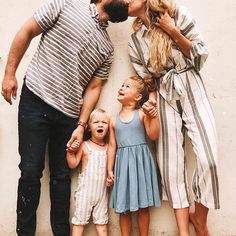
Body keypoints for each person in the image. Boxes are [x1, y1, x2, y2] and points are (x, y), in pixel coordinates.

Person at [1, 0, 129, 234]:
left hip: (69, 117)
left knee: (61, 177)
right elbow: (27, 30)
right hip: (36, 100)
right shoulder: (64, 4)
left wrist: (81, 125)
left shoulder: (107, 49)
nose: (128, 2)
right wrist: (10, 74)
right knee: (30, 171)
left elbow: (93, 88)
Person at [127, 0, 220, 235]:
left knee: (209, 160)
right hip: (163, 96)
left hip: (191, 87)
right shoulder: (135, 42)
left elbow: (200, 57)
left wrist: (173, 31)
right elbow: (148, 80)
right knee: (171, 168)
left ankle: (199, 218)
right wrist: (150, 101)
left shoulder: (176, 13)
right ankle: (183, 231)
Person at [107, 75, 161, 236]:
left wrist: (153, 116)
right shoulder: (112, 120)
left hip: (141, 163)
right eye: (122, 85)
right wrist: (109, 170)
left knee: (143, 206)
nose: (122, 87)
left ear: (138, 97)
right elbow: (112, 146)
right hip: (123, 165)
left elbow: (153, 135)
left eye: (127, 86)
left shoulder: (142, 114)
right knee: (123, 207)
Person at [66, 108, 109, 236]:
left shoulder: (108, 148)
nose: (100, 124)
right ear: (89, 127)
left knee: (102, 223)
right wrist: (70, 152)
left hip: (102, 194)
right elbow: (72, 164)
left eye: (104, 122)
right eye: (96, 122)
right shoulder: (85, 146)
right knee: (79, 222)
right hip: (85, 194)